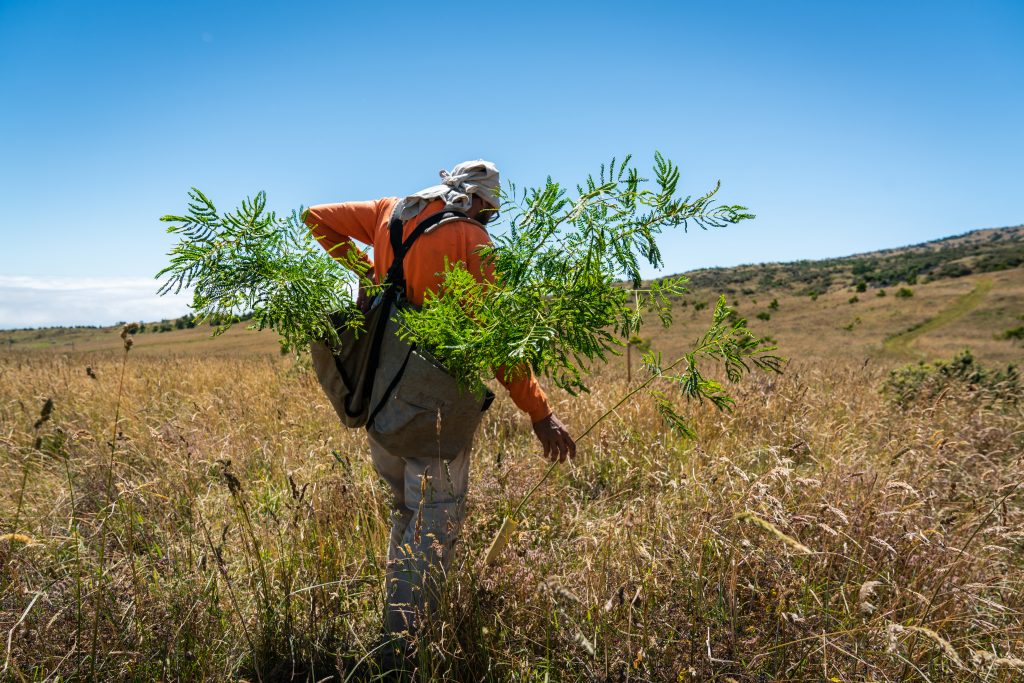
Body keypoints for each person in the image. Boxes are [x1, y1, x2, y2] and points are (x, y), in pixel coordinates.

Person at [304, 160, 576, 666]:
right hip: (433, 408)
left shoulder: (391, 212)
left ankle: (393, 630)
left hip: (382, 400)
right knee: (432, 526)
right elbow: (503, 347)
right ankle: (406, 654)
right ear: (479, 201)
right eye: (489, 213)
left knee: (404, 514)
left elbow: (316, 216)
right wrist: (539, 414)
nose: (487, 222)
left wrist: (369, 276)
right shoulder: (473, 242)